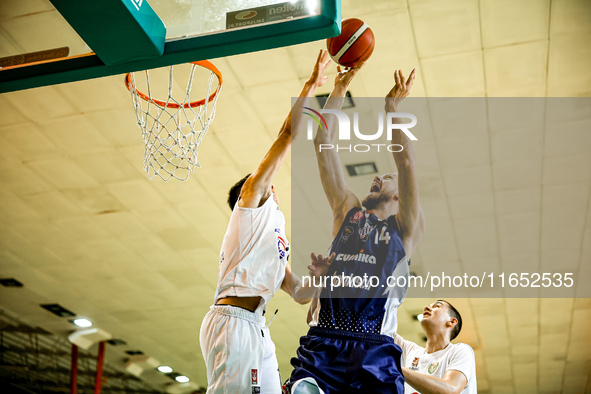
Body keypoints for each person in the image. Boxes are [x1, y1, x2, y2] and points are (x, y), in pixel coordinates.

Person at [284, 66, 425, 394]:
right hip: (324, 344)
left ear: (400, 196)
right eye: (377, 177)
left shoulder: (406, 230)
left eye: (385, 179)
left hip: (375, 347)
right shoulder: (347, 211)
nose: (377, 177)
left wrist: (392, 109)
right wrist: (340, 85)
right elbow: (323, 140)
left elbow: (406, 163)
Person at [199, 50, 331, 394]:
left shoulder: (274, 235)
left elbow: (300, 294)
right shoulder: (250, 205)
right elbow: (287, 134)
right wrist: (310, 85)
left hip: (256, 325)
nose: (271, 182)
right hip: (232, 322)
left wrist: (320, 279)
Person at [395, 300, 477, 394]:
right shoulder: (411, 351)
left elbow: (450, 389)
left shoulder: (460, 350)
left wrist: (397, 368)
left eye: (437, 306)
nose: (426, 307)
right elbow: (383, 329)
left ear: (451, 321)